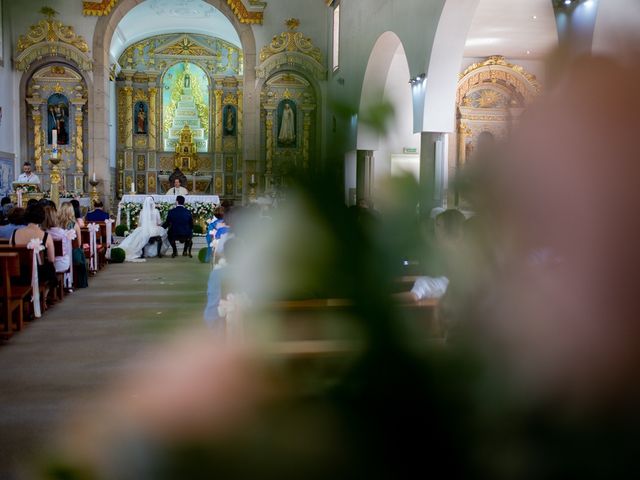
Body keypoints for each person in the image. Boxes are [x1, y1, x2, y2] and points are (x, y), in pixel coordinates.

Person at [11, 204, 58, 301]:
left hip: (18, 273)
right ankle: (44, 296)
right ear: (42, 217)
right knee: (50, 268)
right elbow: (51, 259)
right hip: (39, 273)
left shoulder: (15, 233)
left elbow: (12, 253)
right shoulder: (45, 236)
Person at [118, 197, 167, 261]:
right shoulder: (156, 211)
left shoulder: (142, 212)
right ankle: (158, 253)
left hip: (144, 229)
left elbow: (140, 223)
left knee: (135, 236)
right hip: (154, 230)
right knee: (164, 233)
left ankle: (142, 253)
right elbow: (159, 223)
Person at [59, 202, 88, 289]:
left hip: (59, 254)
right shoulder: (75, 225)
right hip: (72, 253)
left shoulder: (56, 225)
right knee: (80, 252)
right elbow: (78, 244)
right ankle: (79, 281)